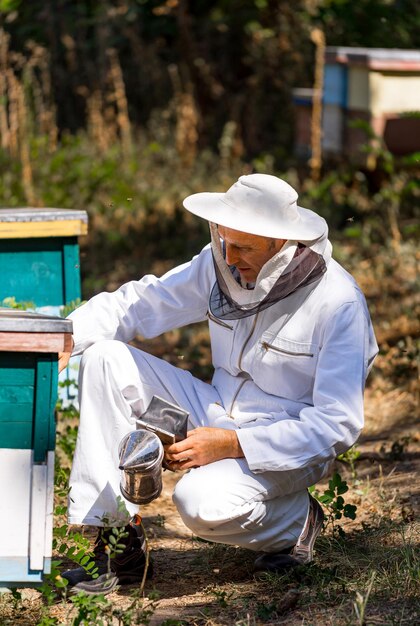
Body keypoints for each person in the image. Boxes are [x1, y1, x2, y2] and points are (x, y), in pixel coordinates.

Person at [59, 173, 378, 593]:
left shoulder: (339, 303)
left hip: (284, 445)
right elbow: (144, 301)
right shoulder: (221, 263)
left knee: (198, 503)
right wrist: (63, 335)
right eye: (225, 241)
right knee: (104, 357)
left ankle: (296, 523)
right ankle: (119, 544)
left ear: (280, 244)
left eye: (244, 247)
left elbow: (337, 424)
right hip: (212, 408)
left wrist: (230, 445)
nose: (229, 257)